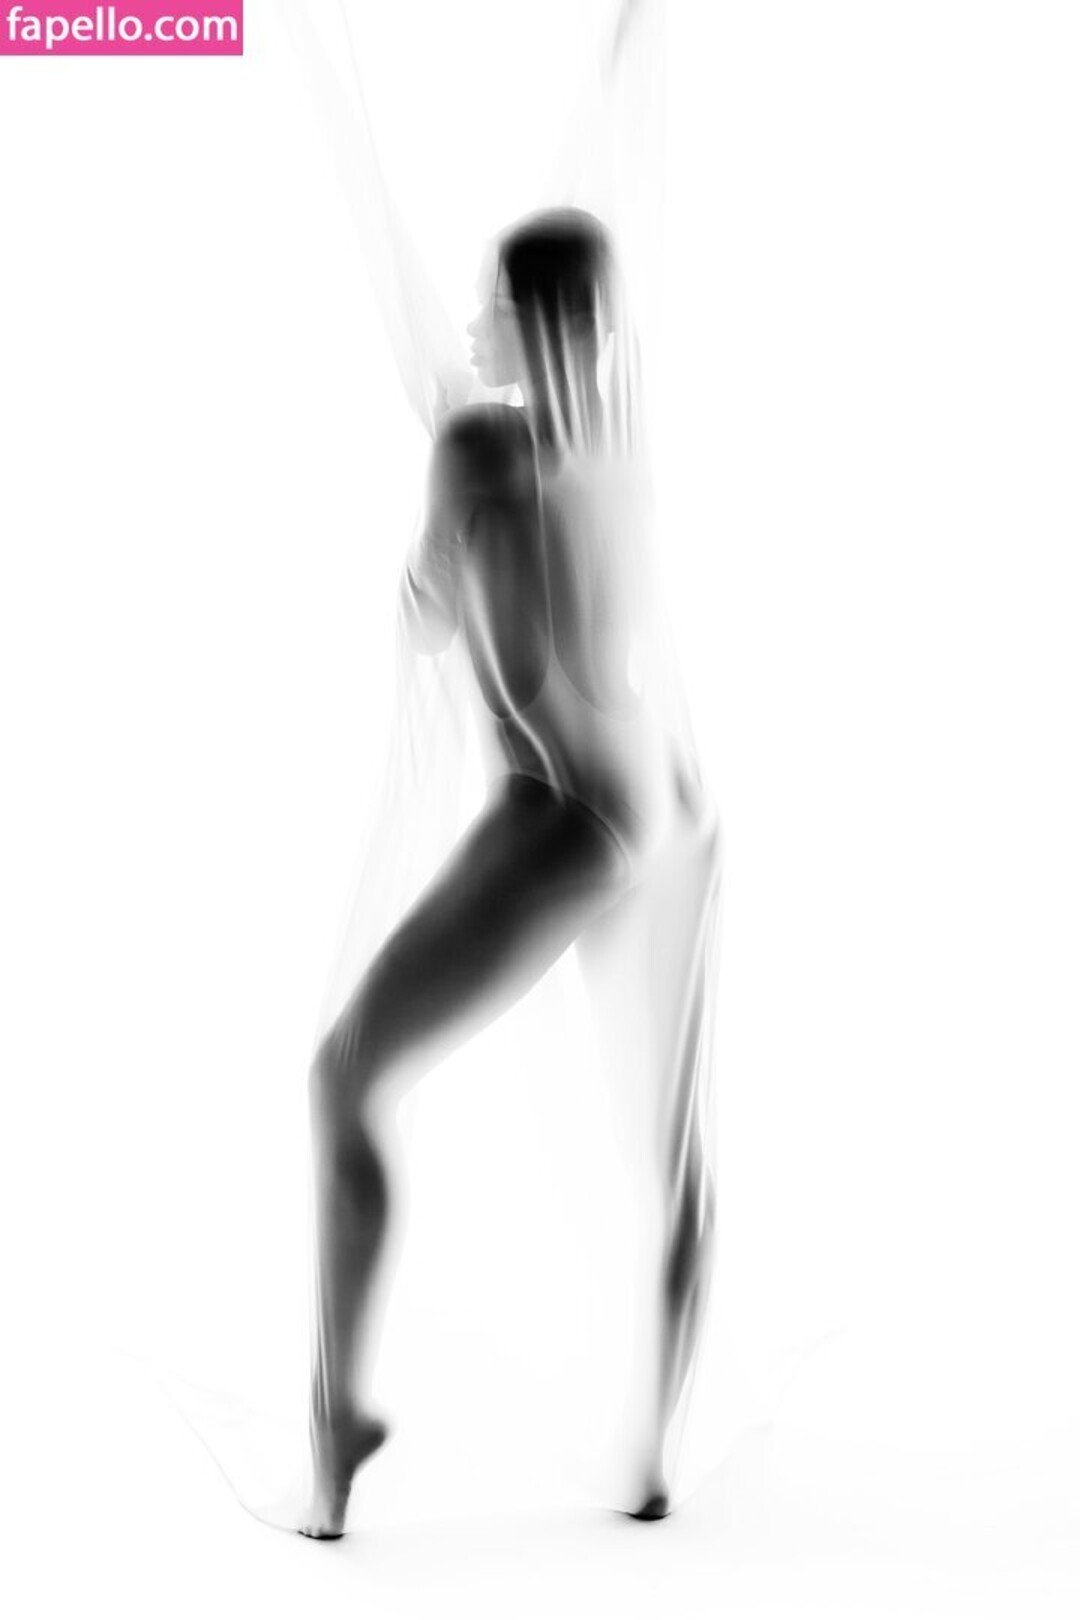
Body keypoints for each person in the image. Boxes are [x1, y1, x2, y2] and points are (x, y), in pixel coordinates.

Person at [301, 207, 722, 1539]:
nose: (475, 325)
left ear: (539, 326)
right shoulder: (619, 463)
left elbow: (433, 622)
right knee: (670, 1150)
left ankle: (334, 1428)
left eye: (495, 306)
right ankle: (651, 1460)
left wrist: (439, 546)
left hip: (572, 821)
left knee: (345, 1076)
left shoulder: (482, 453)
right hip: (670, 813)